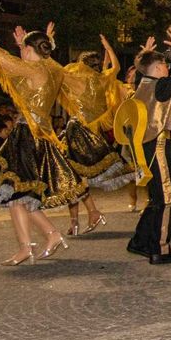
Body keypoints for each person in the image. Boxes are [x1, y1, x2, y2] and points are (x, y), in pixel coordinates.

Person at [0, 24, 86, 265]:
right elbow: (40, 58)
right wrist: (33, 43)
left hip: (26, 134)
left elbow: (0, 57)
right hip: (37, 134)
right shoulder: (52, 69)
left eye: (23, 48)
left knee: (16, 191)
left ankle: (43, 238)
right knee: (15, 194)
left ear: (29, 49)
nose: (20, 51)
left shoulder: (34, 70)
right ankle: (35, 242)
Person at [126, 26, 171, 264]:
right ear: (157, 69)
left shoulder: (142, 83)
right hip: (157, 146)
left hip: (145, 147)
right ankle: (160, 249)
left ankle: (139, 241)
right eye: (165, 65)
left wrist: (142, 57)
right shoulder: (161, 86)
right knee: (166, 198)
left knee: (156, 198)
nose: (168, 67)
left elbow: (140, 71)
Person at [60, 34, 134, 235]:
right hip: (90, 133)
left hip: (77, 131)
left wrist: (49, 42)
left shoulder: (75, 80)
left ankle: (84, 216)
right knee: (73, 178)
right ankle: (82, 217)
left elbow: (55, 71)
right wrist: (109, 48)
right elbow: (116, 68)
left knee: (72, 177)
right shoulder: (103, 79)